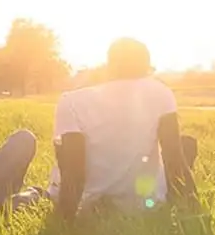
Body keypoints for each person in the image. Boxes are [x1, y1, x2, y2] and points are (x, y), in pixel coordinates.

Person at [48, 38, 184, 213]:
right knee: (186, 145)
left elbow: (74, 172)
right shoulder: (161, 92)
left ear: (110, 65)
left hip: (89, 205)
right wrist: (191, 210)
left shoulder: (71, 101)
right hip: (144, 205)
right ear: (146, 67)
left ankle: (33, 195)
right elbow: (173, 158)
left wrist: (64, 226)